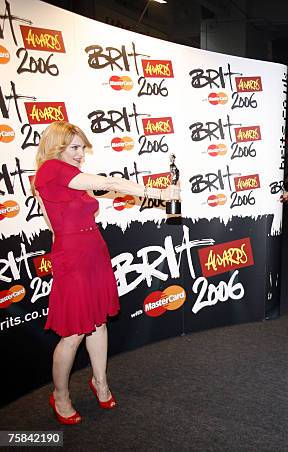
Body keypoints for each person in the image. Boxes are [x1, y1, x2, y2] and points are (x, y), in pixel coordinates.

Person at [33, 121, 179, 425]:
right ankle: (60, 395)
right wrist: (159, 192)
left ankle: (100, 382)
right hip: (73, 257)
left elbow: (53, 220)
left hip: (93, 252)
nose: (80, 154)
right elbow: (111, 184)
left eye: (81, 148)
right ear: (56, 147)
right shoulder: (50, 170)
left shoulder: (67, 178)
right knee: (73, 334)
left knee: (98, 322)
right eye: (74, 147)